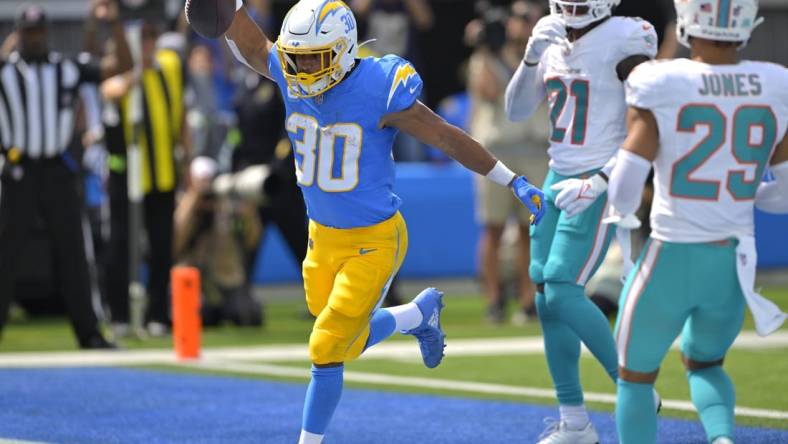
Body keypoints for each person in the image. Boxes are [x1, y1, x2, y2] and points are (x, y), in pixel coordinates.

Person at [199, 0, 546, 442]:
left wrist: (511, 179)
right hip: (321, 237)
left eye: (314, 58)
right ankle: (415, 315)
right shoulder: (290, 70)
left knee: (325, 347)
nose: (302, 69)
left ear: (343, 52)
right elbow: (251, 44)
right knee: (347, 338)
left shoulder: (379, 87)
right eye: (296, 57)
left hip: (374, 240)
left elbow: (445, 136)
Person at [608, 0, 788, 442]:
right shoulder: (775, 82)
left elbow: (627, 182)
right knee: (706, 363)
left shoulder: (662, 80)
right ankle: (722, 437)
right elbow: (784, 195)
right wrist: (744, 198)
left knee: (634, 376)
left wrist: (621, 215)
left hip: (670, 254)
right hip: (732, 261)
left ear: (687, 23)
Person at [504, 0, 658, 441]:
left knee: (562, 287)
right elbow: (515, 111)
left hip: (597, 177)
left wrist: (607, 178)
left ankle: (635, 386)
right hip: (556, 174)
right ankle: (574, 421)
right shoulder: (550, 34)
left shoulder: (626, 36)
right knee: (545, 298)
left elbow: (650, 114)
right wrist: (531, 55)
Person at [0, 0, 132, 349]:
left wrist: (112, 25)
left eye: (40, 31)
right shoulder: (5, 71)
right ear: (19, 35)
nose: (36, 38)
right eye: (29, 32)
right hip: (18, 171)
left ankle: (88, 332)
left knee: (73, 253)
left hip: (57, 170)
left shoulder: (66, 68)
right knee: (6, 254)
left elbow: (121, 66)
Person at [467, 0, 549, 325]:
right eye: (517, 18)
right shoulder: (485, 58)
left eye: (529, 18)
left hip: (535, 149)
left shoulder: (545, 58)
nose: (522, 24)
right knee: (494, 228)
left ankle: (529, 300)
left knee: (532, 230)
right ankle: (494, 300)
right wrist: (486, 48)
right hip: (497, 152)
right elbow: (487, 91)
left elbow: (541, 92)